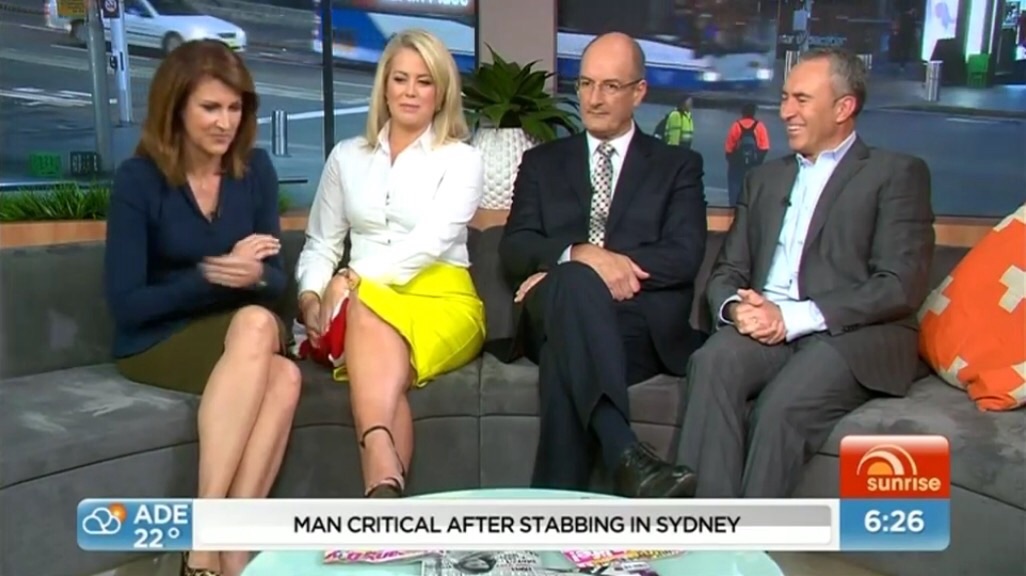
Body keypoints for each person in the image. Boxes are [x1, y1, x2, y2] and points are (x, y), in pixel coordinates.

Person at [678, 47, 935, 498]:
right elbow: (727, 272)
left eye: (801, 99)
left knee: (781, 406)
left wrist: (793, 317)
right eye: (784, 98)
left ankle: (757, 540)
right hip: (766, 329)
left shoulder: (896, 174)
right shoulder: (764, 180)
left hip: (849, 336)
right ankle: (708, 527)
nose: (785, 112)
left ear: (843, 107)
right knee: (712, 362)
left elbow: (899, 285)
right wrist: (737, 310)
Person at [103, 40, 301, 576]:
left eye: (234, 108)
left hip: (239, 335)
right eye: (210, 107)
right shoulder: (138, 180)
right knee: (259, 331)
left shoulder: (254, 170)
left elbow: (277, 281)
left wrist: (255, 275)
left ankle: (229, 552)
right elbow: (126, 304)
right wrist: (213, 276)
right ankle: (207, 536)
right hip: (157, 340)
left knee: (282, 370)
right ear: (176, 108)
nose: (225, 122)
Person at [498, 32, 707, 498]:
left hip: (634, 322)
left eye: (610, 86)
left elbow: (683, 255)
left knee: (565, 354)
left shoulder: (677, 166)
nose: (593, 99)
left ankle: (554, 513)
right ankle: (626, 456)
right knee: (573, 283)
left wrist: (586, 268)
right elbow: (515, 248)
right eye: (586, 83)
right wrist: (579, 256)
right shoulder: (542, 163)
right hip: (551, 309)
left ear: (639, 91)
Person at [294, 29, 486, 499]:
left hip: (440, 295)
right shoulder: (347, 157)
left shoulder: (462, 160)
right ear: (384, 87)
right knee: (368, 317)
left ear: (441, 92)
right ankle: (385, 485)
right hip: (359, 302)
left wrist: (352, 277)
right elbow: (321, 242)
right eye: (400, 79)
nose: (410, 92)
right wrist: (311, 297)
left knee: (365, 308)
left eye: (424, 81)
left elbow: (429, 242)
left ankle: (379, 472)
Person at [724, 102, 770, 207]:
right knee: (753, 190)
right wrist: (757, 162)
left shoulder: (736, 126)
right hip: (754, 165)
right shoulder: (760, 126)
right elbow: (765, 148)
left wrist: (733, 161)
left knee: (735, 189)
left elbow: (728, 149)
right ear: (754, 113)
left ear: (742, 112)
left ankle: (734, 209)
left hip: (737, 165)